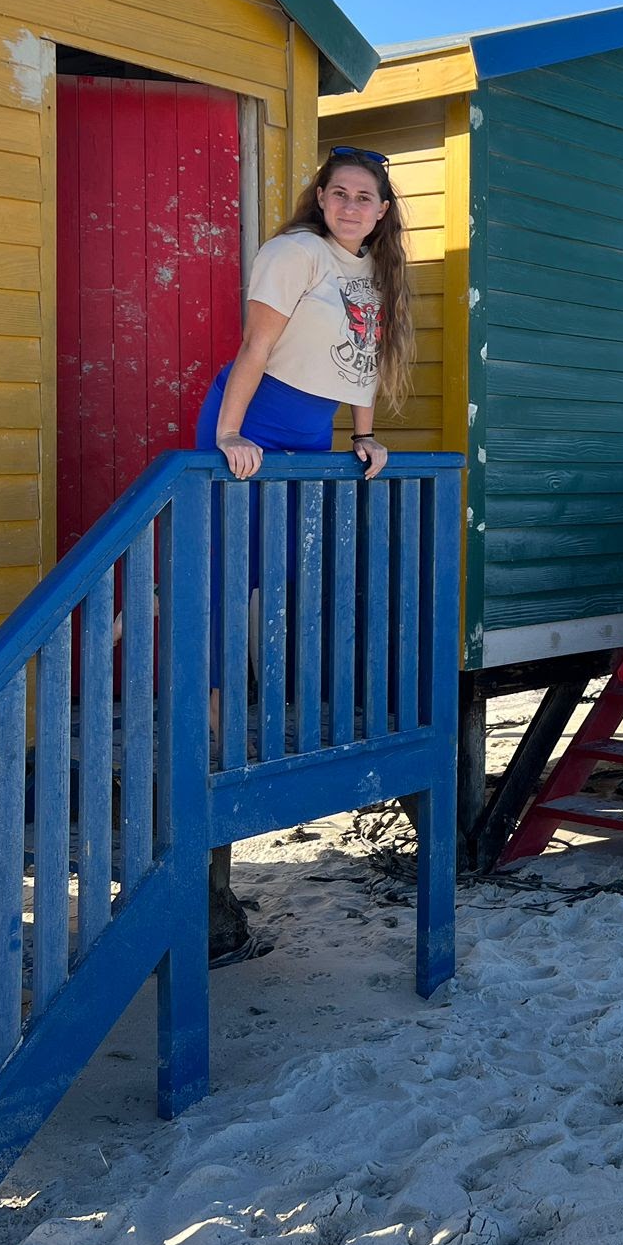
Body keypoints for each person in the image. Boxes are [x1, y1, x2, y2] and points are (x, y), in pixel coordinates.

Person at [196, 144, 416, 960]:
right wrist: (229, 434)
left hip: (311, 436)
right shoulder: (294, 253)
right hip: (256, 424)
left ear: (383, 211)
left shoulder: (374, 274)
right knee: (223, 580)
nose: (352, 206)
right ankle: (210, 727)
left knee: (269, 572)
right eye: (340, 193)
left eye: (366, 197)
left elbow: (358, 366)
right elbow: (255, 349)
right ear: (320, 197)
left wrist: (364, 439)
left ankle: (187, 651)